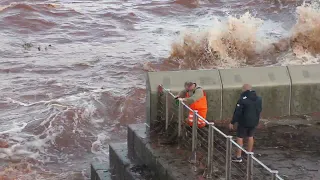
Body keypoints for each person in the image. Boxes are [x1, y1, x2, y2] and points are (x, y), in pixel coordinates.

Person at [229, 84, 262, 162]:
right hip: (254, 121)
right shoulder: (259, 99)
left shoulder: (242, 99)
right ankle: (249, 154)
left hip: (244, 121)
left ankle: (238, 156)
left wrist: (232, 122)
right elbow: (259, 109)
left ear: (244, 90)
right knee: (250, 136)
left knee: (240, 137)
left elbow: (238, 112)